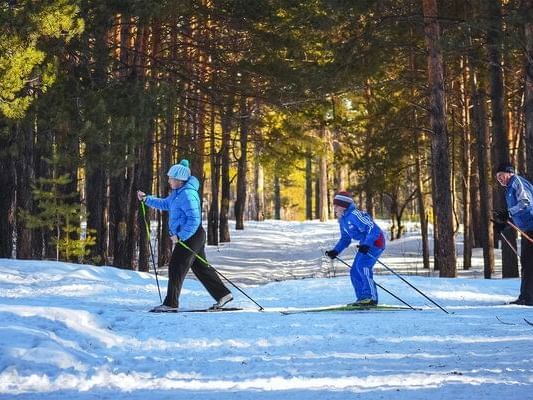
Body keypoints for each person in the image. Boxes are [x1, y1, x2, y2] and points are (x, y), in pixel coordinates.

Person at [137, 159, 232, 312]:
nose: (169, 181)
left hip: (191, 236)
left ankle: (170, 303)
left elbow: (194, 219)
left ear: (179, 180)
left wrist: (181, 236)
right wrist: (147, 199)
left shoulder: (188, 194)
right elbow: (164, 204)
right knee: (201, 267)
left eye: (171, 178)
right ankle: (223, 294)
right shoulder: (177, 193)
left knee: (176, 266)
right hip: (192, 235)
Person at [325, 191, 386, 306]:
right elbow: (345, 239)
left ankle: (371, 298)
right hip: (365, 243)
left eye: (336, 205)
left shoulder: (355, 215)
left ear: (343, 206)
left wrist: (367, 244)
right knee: (354, 270)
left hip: (375, 241)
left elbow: (373, 228)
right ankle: (363, 298)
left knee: (363, 266)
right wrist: (335, 251)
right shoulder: (342, 220)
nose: (334, 208)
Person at [494, 162, 533, 306]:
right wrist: (503, 224)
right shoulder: (509, 189)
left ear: (510, 172)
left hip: (532, 226)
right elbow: (517, 213)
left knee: (528, 263)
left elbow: (525, 203)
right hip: (527, 228)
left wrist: (508, 213)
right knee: (527, 262)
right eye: (497, 177)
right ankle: (526, 296)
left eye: (501, 175)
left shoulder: (517, 182)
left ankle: (527, 298)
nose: (500, 179)